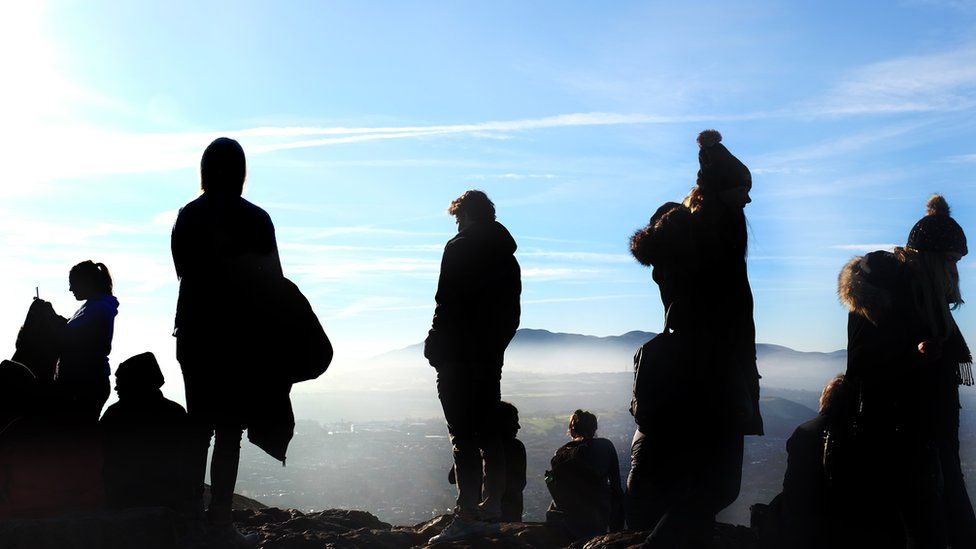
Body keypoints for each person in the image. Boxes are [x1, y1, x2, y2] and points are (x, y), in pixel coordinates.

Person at [627, 130, 763, 547]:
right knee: (720, 485)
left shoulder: (684, 236)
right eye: (741, 191)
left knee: (691, 482)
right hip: (716, 371)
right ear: (720, 193)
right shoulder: (714, 234)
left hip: (688, 370)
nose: (747, 200)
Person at [838, 194, 974, 548]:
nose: (953, 271)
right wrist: (914, 357)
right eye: (948, 260)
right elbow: (862, 370)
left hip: (934, 437)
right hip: (899, 438)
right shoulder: (882, 297)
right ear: (928, 259)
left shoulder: (927, 302)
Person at [172, 137, 282, 548]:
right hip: (240, 336)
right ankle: (220, 522)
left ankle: (189, 519)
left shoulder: (189, 215)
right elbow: (274, 282)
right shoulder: (256, 219)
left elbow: (182, 270)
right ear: (241, 171)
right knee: (229, 431)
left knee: (198, 426)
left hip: (195, 332)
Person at [424, 190, 521, 543]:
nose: (457, 222)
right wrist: (494, 347)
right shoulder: (508, 258)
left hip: (458, 356)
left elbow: (445, 300)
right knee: (489, 434)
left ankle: (467, 514)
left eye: (457, 216)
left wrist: (435, 344)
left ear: (465, 214)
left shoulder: (459, 246)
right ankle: (491, 510)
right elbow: (512, 316)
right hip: (489, 358)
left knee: (462, 436)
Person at [99, 352, 191, 511]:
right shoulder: (176, 413)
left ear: (136, 382)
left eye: (121, 381)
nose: (116, 387)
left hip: (123, 502)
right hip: (169, 503)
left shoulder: (114, 415)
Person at [33, 260, 118, 424]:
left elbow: (70, 336)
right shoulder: (94, 306)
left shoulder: (99, 308)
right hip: (84, 380)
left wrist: (49, 316)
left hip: (84, 384)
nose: (71, 289)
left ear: (88, 282)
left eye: (73, 284)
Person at [545, 410, 624, 539]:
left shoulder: (560, 453)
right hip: (595, 518)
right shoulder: (606, 446)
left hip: (561, 518)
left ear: (572, 430)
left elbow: (551, 481)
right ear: (595, 429)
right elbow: (616, 486)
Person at [448, 401, 527, 522]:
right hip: (508, 515)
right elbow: (519, 484)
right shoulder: (515, 447)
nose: (518, 426)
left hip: (478, 515)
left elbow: (453, 478)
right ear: (501, 424)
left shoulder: (475, 448)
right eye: (513, 422)